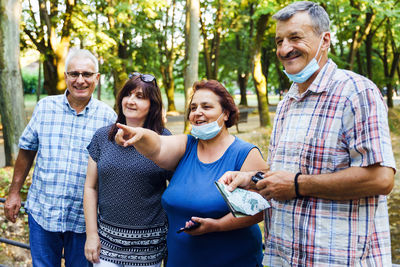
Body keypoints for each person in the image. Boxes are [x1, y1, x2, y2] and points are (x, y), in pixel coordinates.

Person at [220, 2, 396, 266]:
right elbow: (288, 175)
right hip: (283, 258)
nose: (284, 49)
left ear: (325, 40)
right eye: (279, 41)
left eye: (295, 38)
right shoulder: (287, 102)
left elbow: (381, 178)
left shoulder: (357, 92)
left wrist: (298, 185)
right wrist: (253, 179)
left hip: (341, 260)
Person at [115, 80, 268, 267]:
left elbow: (260, 209)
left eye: (206, 106)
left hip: (233, 260)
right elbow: (158, 146)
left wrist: (217, 226)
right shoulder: (186, 146)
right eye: (193, 108)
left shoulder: (245, 153)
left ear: (226, 113)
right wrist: (140, 135)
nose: (197, 113)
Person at [4, 49, 117, 267]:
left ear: (97, 78)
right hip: (44, 212)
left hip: (85, 220)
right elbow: (27, 149)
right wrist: (14, 193)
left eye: (87, 74)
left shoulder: (108, 117)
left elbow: (113, 168)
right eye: (74, 74)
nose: (80, 80)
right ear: (65, 76)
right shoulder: (45, 107)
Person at [83, 73, 172, 267]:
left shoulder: (164, 139)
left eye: (140, 97)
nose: (131, 101)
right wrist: (91, 235)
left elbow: (176, 189)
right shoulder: (102, 137)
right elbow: (90, 187)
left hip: (149, 248)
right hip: (107, 246)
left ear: (152, 104)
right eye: (128, 95)